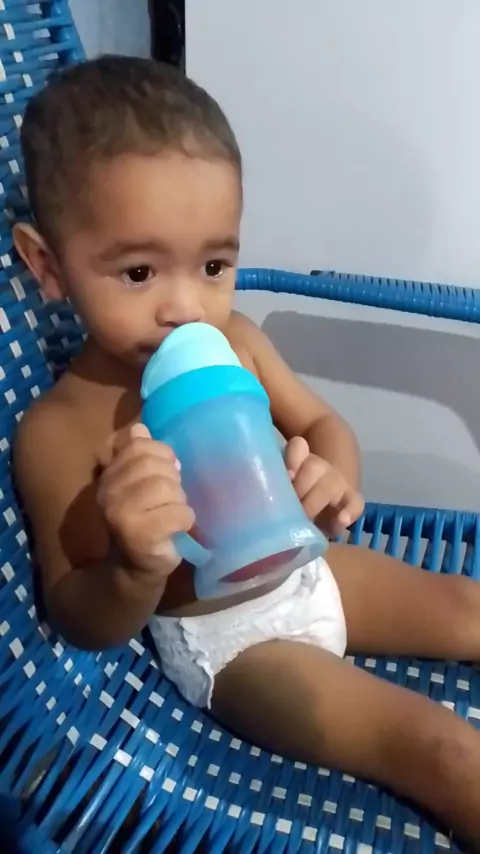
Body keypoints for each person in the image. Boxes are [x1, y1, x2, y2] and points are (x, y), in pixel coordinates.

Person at [12, 55, 480, 844]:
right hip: (233, 643)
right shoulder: (60, 428)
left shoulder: (236, 340)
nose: (186, 306)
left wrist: (333, 481)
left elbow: (324, 426)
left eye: (214, 265)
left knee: (469, 607)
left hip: (309, 567)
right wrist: (132, 567)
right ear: (48, 267)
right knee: (440, 748)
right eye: (138, 271)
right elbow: (78, 616)